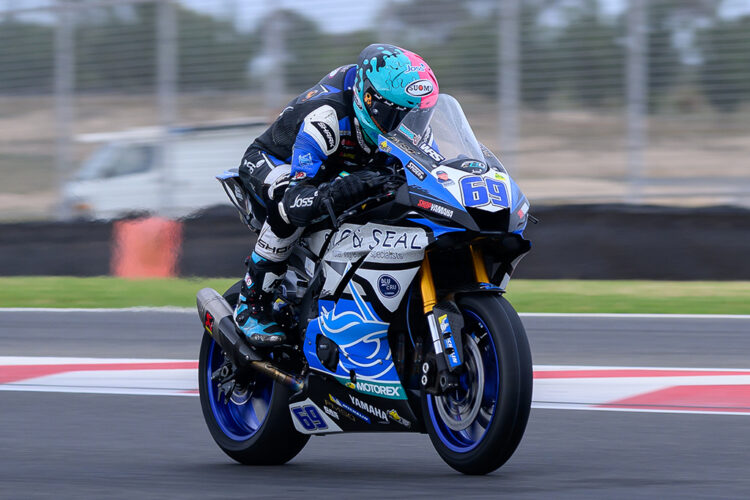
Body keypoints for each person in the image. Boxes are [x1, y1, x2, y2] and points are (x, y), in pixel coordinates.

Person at [233, 43, 439, 346]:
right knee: (287, 204)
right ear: (370, 100)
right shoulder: (327, 115)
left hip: (344, 165)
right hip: (276, 161)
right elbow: (297, 194)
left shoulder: (412, 129)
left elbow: (432, 174)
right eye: (398, 115)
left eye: (418, 116)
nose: (409, 125)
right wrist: (338, 188)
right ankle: (251, 302)